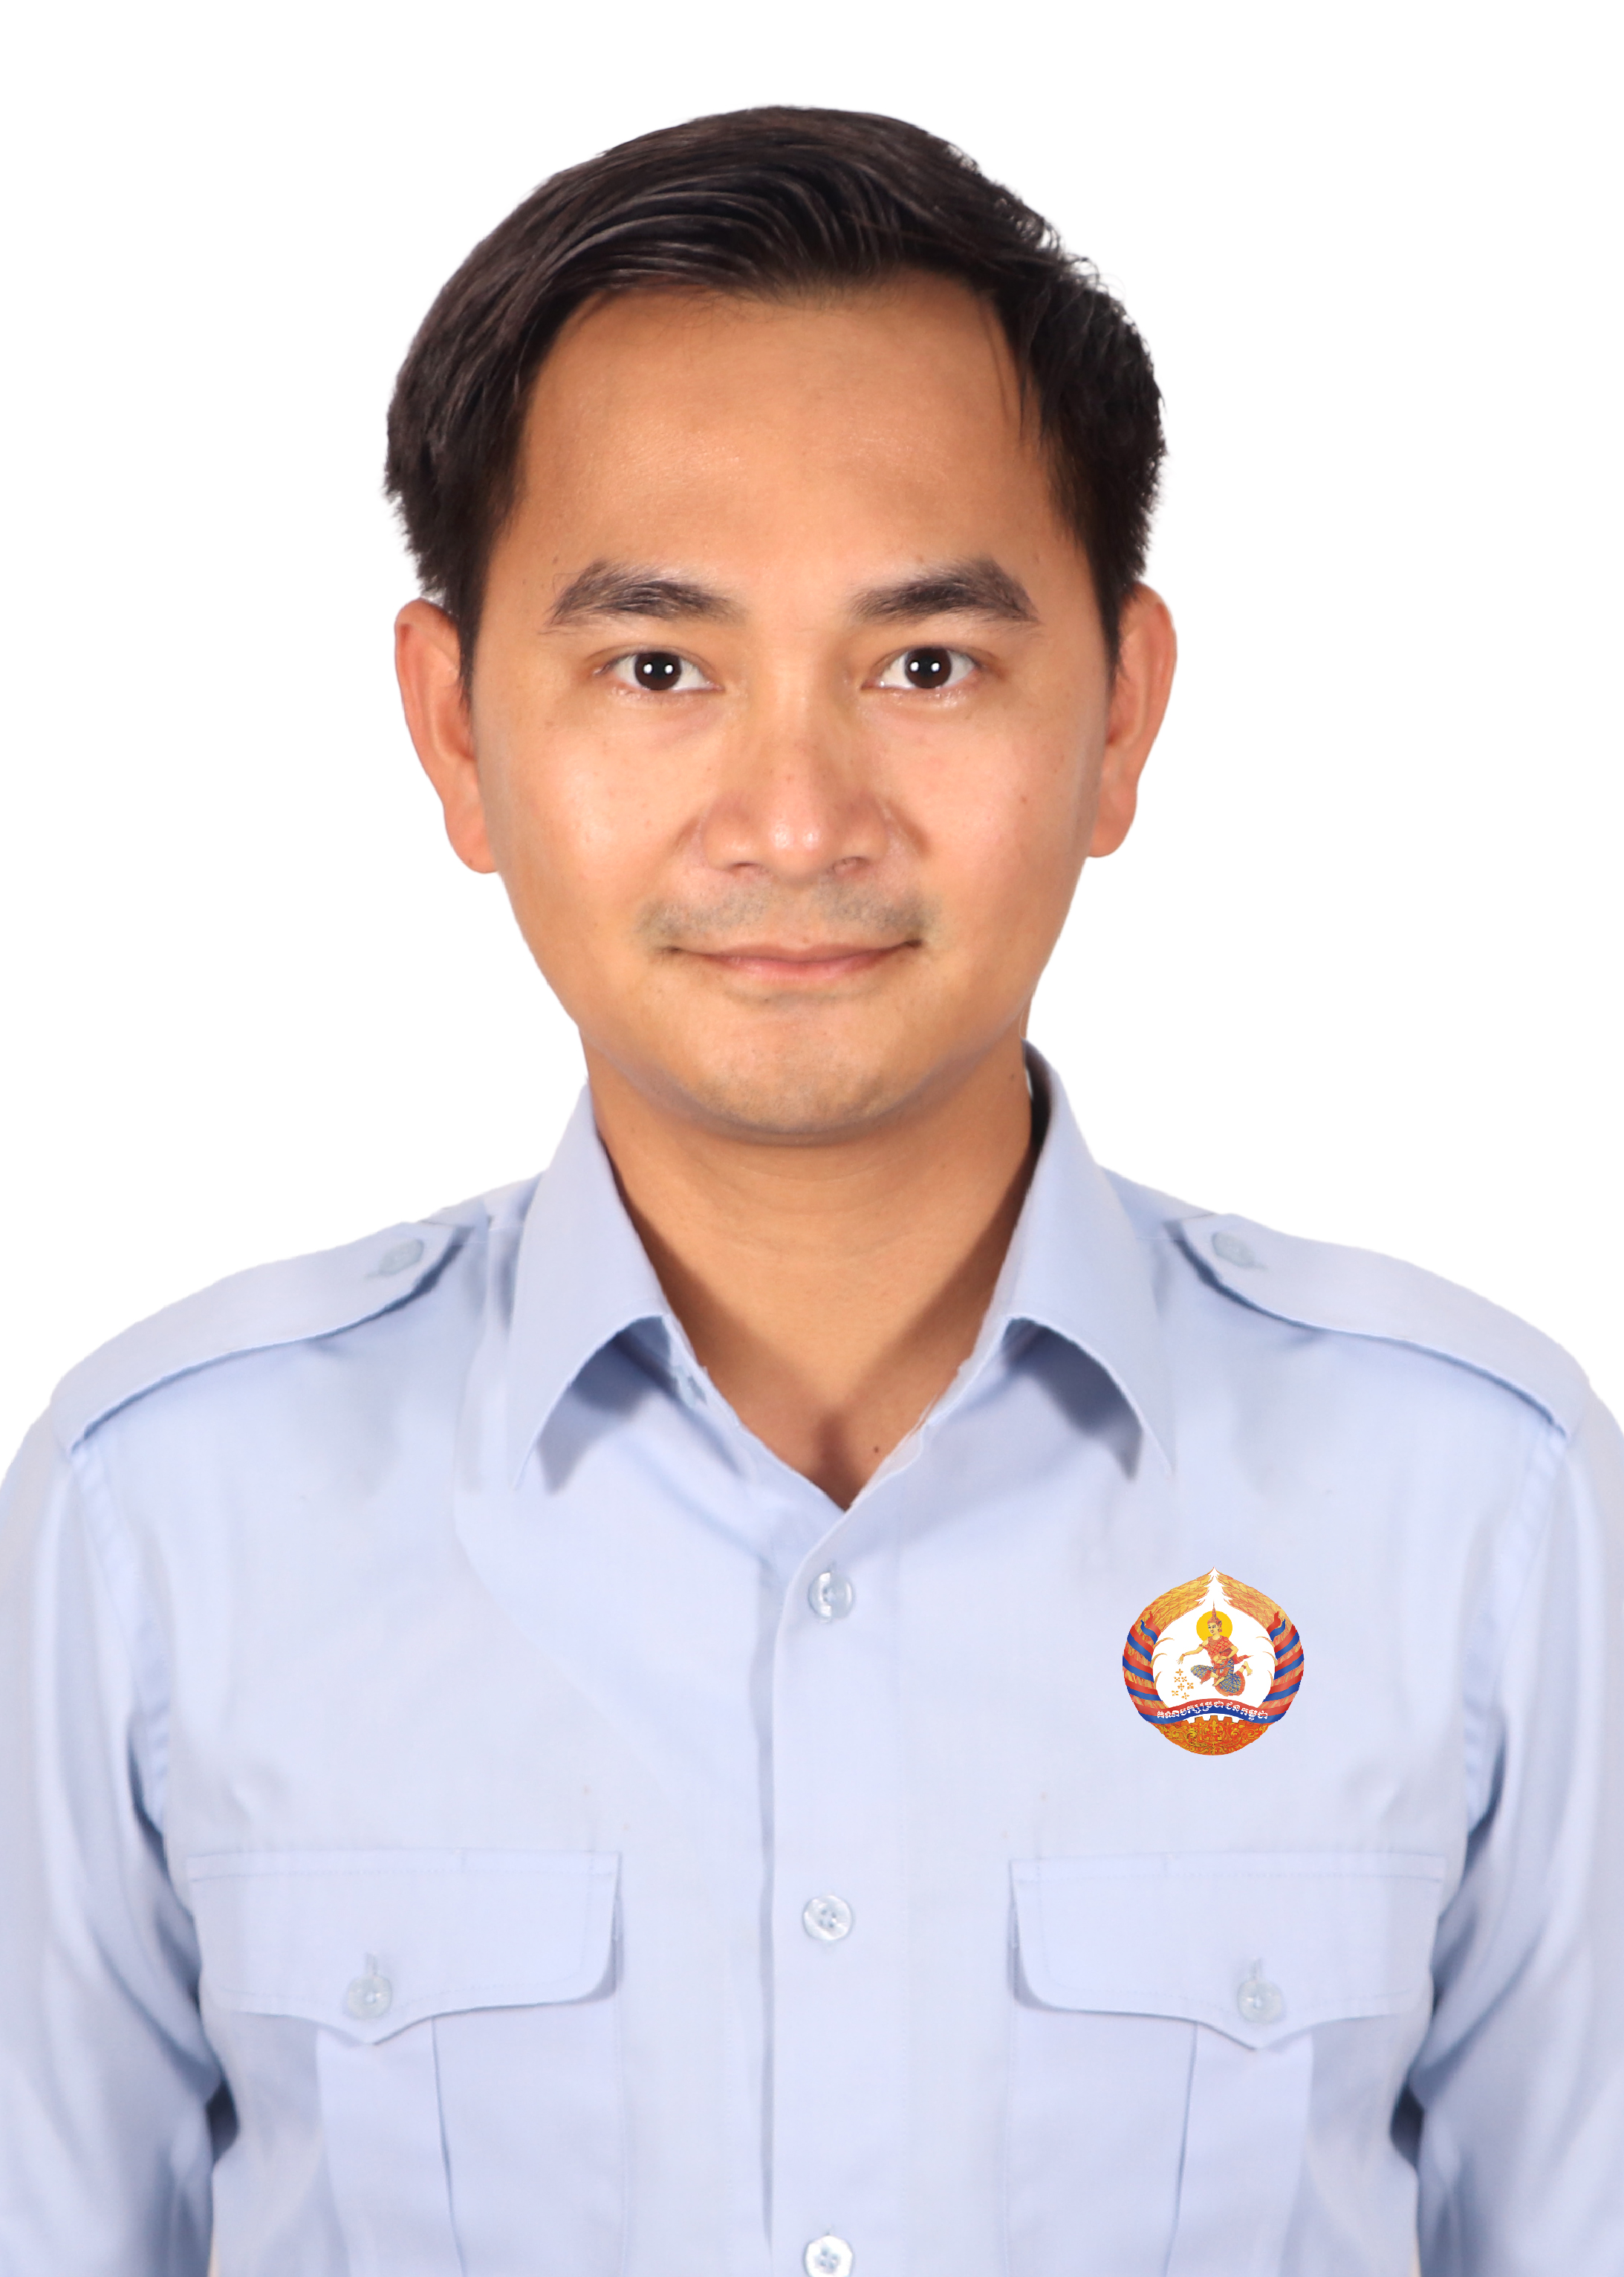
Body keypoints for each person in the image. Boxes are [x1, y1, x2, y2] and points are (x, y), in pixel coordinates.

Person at [1, 105, 1619, 2277]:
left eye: (924, 665)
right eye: (658, 668)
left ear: (1120, 717)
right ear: (457, 732)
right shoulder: (159, 1517)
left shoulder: (1476, 1501)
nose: (792, 815)